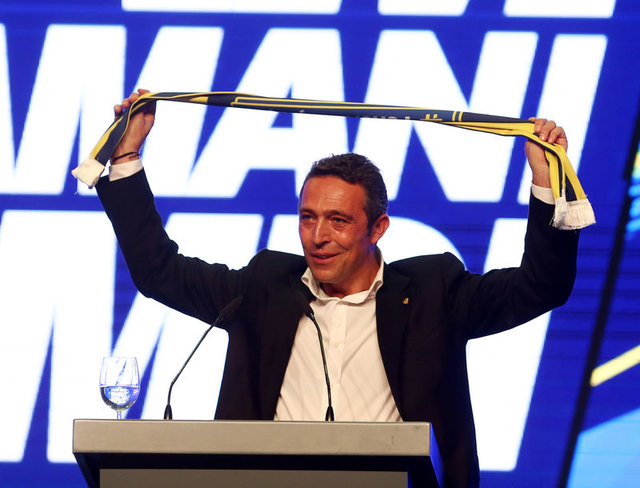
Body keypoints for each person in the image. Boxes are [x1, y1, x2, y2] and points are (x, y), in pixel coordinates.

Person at [95, 89, 579, 487]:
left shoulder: (435, 293)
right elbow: (158, 271)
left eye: (338, 220)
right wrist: (127, 156)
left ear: (378, 228)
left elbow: (542, 286)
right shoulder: (263, 289)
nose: (318, 236)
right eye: (308, 217)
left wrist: (545, 180)